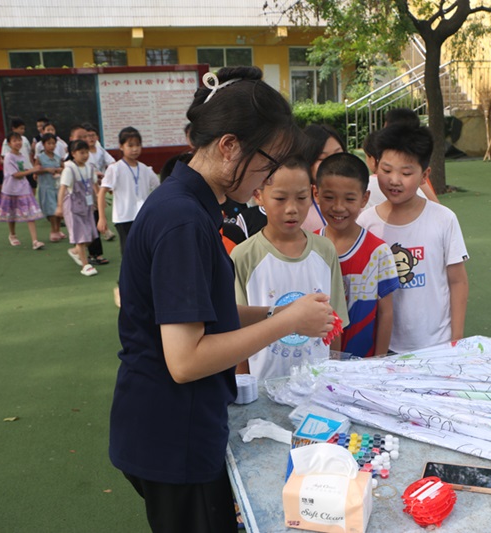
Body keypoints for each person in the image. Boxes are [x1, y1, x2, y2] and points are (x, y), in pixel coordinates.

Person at [108, 66, 335, 533]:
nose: (265, 178)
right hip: (173, 435)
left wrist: (274, 311)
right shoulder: (183, 220)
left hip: (169, 427)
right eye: (266, 163)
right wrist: (287, 321)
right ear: (229, 146)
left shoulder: (187, 204)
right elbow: (185, 360)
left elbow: (198, 313)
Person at [230, 154, 349, 378]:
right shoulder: (243, 255)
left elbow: (334, 323)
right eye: (280, 198)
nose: (292, 209)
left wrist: (334, 374)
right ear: (258, 195)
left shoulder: (325, 250)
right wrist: (245, 383)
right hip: (263, 383)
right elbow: (236, 330)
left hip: (318, 382)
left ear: (313, 193)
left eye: (301, 198)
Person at [357, 123, 469, 354]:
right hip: (384, 346)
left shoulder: (443, 219)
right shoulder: (366, 223)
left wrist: (456, 340)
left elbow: (458, 281)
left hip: (436, 344)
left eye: (406, 173)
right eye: (386, 171)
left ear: (424, 176)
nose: (394, 180)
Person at [315, 152, 399, 357]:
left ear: (365, 198)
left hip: (363, 365)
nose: (338, 207)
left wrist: (378, 361)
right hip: (318, 364)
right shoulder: (308, 247)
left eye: (349, 199)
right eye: (329, 197)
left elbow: (385, 312)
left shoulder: (378, 252)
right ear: (315, 193)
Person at [97, 127, 159, 256]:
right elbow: (102, 192)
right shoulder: (115, 169)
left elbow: (159, 188)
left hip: (143, 216)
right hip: (124, 217)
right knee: (128, 251)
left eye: (138, 145)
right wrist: (102, 218)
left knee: (145, 249)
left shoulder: (145, 169)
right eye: (130, 145)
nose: (135, 149)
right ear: (121, 146)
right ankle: (128, 276)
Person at [55, 140, 99, 277]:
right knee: (80, 237)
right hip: (73, 207)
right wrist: (60, 207)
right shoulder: (69, 170)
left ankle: (75, 251)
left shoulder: (90, 168)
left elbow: (94, 186)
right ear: (73, 154)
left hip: (87, 205)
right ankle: (86, 265)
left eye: (86, 152)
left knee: (91, 235)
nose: (85, 155)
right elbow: (62, 189)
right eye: (81, 153)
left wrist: (98, 200)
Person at [0, 132, 45, 249]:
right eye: (14, 140)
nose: (18, 142)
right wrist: (33, 170)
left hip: (23, 188)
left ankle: (35, 241)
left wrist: (34, 169)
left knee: (31, 214)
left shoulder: (21, 156)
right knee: (11, 213)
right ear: (9, 144)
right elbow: (16, 174)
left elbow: (24, 169)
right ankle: (12, 234)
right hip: (11, 189)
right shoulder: (9, 157)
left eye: (19, 140)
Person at [300, 124, 345, 232]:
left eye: (338, 154)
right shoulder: (300, 210)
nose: (333, 162)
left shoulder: (359, 201)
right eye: (322, 158)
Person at [35, 133, 66, 242]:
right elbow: (36, 171)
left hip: (57, 187)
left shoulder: (58, 158)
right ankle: (53, 230)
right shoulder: (40, 157)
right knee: (51, 210)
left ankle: (57, 229)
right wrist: (46, 170)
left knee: (58, 210)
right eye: (49, 143)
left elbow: (64, 168)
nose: (51, 146)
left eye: (53, 143)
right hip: (46, 187)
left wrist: (59, 170)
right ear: (43, 145)